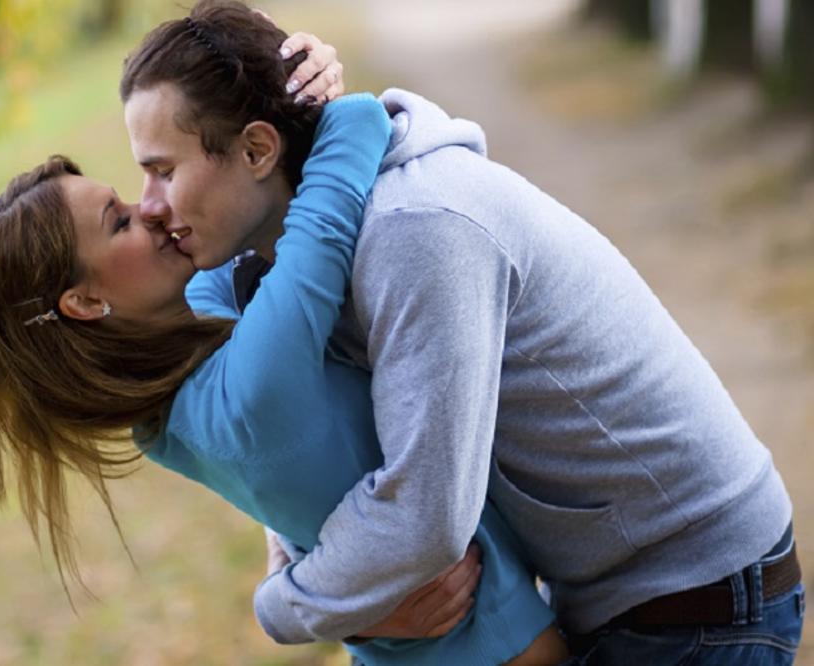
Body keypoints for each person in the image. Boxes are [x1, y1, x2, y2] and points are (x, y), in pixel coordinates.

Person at [121, 1, 804, 664]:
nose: (149, 208)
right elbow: (293, 452)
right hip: (609, 589)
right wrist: (340, 597)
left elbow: (425, 521)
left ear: (258, 149)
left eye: (163, 171)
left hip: (697, 596)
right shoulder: (282, 256)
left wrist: (284, 609)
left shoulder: (413, 229)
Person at [0, 21, 563, 663]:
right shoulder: (251, 386)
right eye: (119, 220)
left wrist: (283, 88)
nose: (152, 209)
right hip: (505, 646)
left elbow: (227, 238)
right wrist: (304, 99)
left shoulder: (169, 413)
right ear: (86, 302)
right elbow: (336, 184)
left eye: (144, 186)